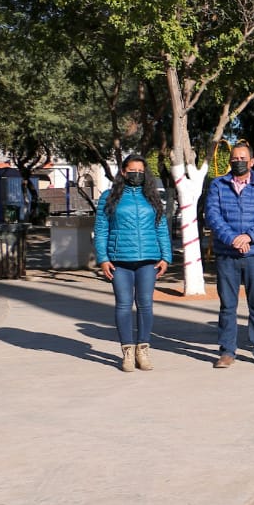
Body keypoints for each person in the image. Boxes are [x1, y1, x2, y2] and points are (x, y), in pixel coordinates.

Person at [93, 154, 172, 372]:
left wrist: (166, 256)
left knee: (145, 304)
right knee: (124, 304)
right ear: (123, 172)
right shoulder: (110, 197)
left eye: (141, 171)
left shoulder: (152, 197)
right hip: (119, 260)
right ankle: (127, 352)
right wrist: (103, 259)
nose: (136, 174)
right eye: (132, 171)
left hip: (148, 259)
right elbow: (101, 229)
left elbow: (161, 229)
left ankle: (143, 350)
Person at [205, 141, 254, 368]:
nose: (238, 162)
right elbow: (212, 215)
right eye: (235, 159)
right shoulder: (218, 185)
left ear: (252, 161)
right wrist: (232, 239)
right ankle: (227, 352)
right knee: (228, 305)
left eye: (242, 159)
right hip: (227, 255)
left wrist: (248, 236)